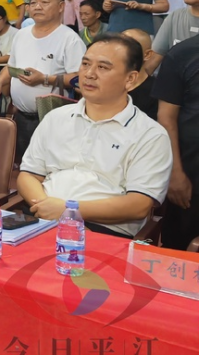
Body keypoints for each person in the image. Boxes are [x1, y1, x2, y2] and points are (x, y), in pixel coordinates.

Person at [18, 35, 171, 237]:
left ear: (130, 79)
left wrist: (69, 212)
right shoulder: (56, 117)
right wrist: (48, 209)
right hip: (43, 218)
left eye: (103, 67)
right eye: (85, 64)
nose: (89, 74)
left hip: (104, 230)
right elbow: (28, 175)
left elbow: (139, 204)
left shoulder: (150, 135)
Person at [0, 0, 87, 163]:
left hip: (53, 119)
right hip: (21, 116)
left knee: (48, 166)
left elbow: (80, 79)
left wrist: (45, 79)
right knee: (22, 164)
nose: (37, 7)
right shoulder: (21, 35)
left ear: (61, 6)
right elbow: (11, 66)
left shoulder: (70, 39)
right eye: (33, 2)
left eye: (44, 2)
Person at [154, 34, 199, 249]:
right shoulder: (183, 53)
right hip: (190, 172)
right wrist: (175, 173)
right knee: (180, 250)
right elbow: (166, 118)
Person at [119, 28, 159, 120]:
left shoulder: (156, 92)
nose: (120, 51)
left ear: (147, 54)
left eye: (129, 46)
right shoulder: (105, 84)